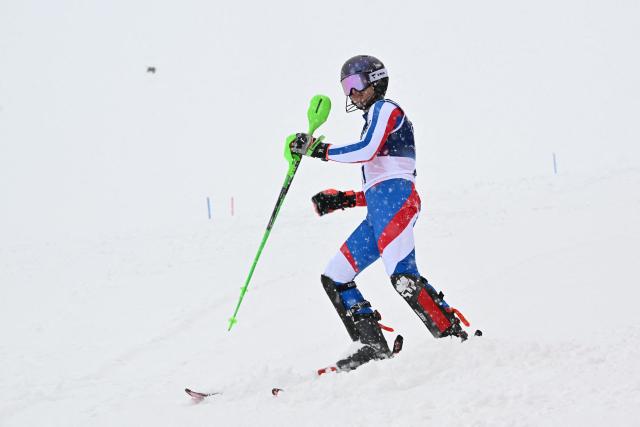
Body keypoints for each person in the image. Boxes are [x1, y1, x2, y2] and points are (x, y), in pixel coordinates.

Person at [290, 55, 471, 372]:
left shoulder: (386, 110)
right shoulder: (371, 120)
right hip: (381, 212)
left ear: (376, 80)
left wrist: (319, 149)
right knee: (335, 277)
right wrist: (345, 199)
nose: (352, 94)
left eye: (356, 84)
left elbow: (369, 155)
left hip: (398, 204)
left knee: (402, 277)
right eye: (346, 87)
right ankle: (371, 346)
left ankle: (453, 338)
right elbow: (380, 185)